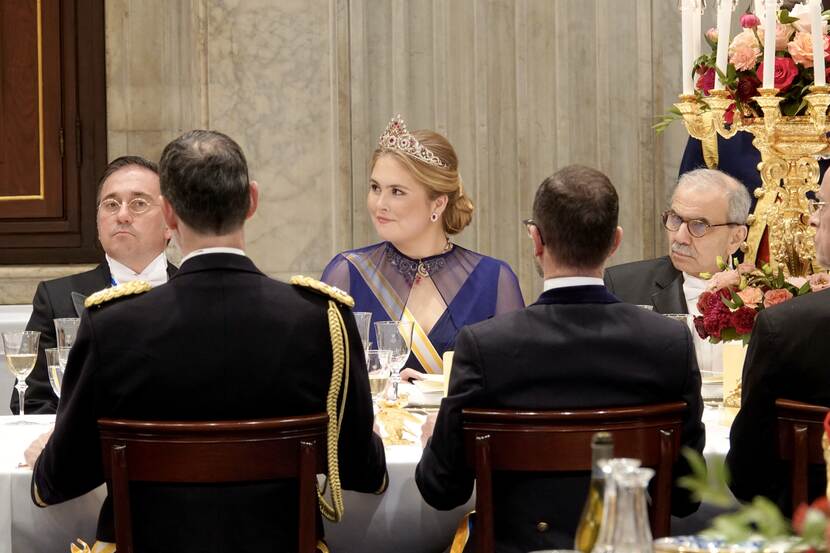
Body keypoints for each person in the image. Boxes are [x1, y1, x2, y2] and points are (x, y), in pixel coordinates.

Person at [24, 130, 387, 552]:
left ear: (169, 215)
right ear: (252, 201)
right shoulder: (321, 318)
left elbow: (58, 482)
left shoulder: (112, 324)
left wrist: (44, 465)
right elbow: (365, 473)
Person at [415, 165, 705, 553]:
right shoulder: (668, 342)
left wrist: (436, 439)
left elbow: (441, 489)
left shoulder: (487, 346)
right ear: (615, 242)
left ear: (536, 239)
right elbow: (687, 497)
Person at [321, 115, 524, 375]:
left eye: (397, 191)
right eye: (375, 187)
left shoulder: (493, 280)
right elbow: (322, 380)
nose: (379, 203)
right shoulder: (347, 273)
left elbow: (513, 383)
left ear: (438, 204)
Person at [11, 156, 175, 415]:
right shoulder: (56, 299)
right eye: (111, 204)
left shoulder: (198, 291)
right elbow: (34, 403)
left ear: (170, 222)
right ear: (98, 224)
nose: (122, 215)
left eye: (139, 203)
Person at [726, 167, 830, 514]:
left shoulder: (784, 326)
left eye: (821, 205)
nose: (812, 220)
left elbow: (746, 473)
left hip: (804, 528)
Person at [603, 168, 751, 375]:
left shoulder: (763, 295)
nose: (680, 237)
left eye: (699, 225)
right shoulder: (622, 287)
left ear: (736, 237)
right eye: (675, 219)